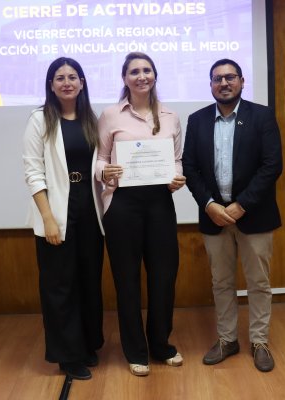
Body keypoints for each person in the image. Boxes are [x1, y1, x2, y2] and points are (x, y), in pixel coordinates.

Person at [182, 59, 283, 372]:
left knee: (259, 282)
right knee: (221, 282)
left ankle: (259, 341)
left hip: (254, 216)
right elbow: (190, 167)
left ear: (241, 81)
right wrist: (209, 204)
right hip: (214, 217)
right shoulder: (197, 120)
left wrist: (242, 205)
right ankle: (227, 339)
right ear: (211, 84)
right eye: (217, 78)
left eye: (229, 77)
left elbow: (272, 165)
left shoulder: (262, 116)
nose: (223, 83)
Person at [95, 52, 186, 376]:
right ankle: (135, 351)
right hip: (123, 205)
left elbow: (176, 159)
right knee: (127, 280)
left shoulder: (171, 116)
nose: (141, 76)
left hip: (160, 203)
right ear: (125, 78)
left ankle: (160, 345)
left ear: (155, 75)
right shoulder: (110, 115)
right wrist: (104, 172)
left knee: (164, 277)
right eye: (134, 71)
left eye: (147, 70)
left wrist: (177, 177)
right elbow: (100, 158)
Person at [23, 57, 105, 380]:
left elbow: (99, 164)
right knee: (60, 287)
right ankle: (68, 356)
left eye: (73, 77)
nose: (67, 82)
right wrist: (48, 219)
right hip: (57, 212)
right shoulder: (40, 119)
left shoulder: (91, 120)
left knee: (88, 281)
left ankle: (86, 344)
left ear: (82, 83)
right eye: (60, 78)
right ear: (51, 85)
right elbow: (33, 172)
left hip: (90, 211)